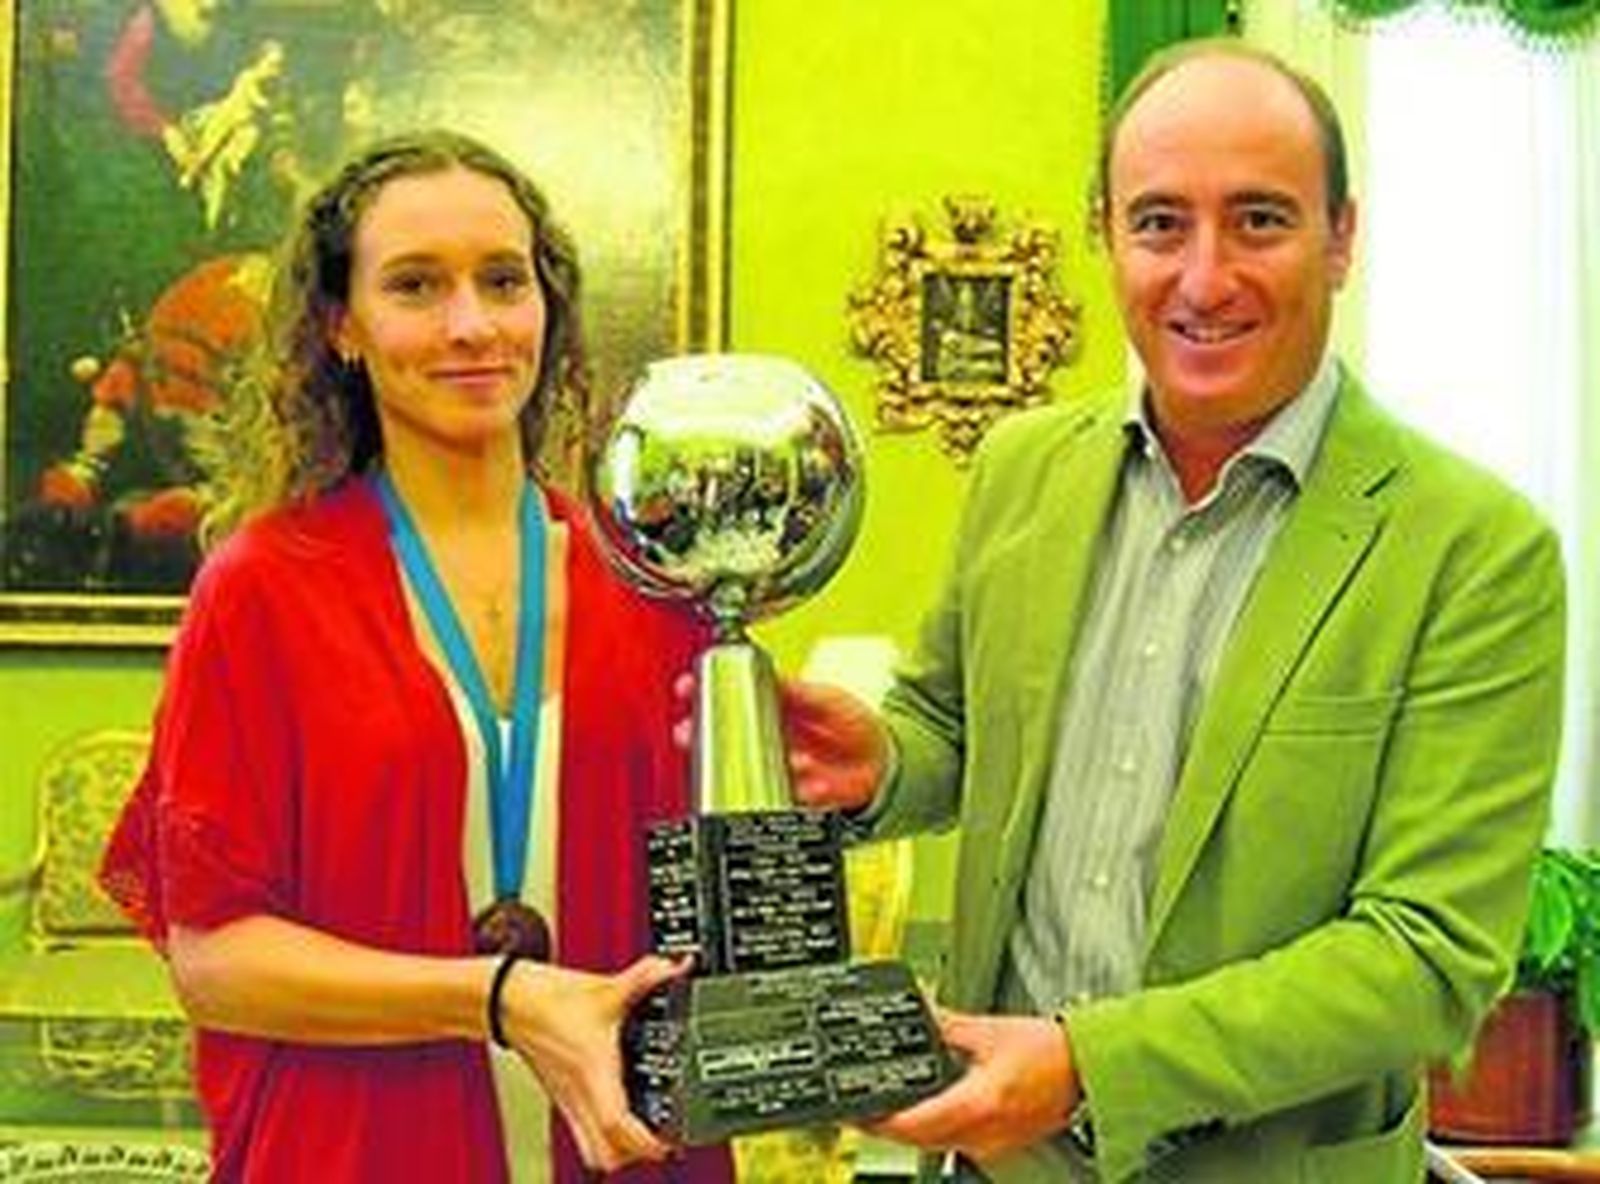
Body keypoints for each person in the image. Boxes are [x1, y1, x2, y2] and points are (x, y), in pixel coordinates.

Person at [781, 40, 1566, 1183]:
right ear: (1107, 232)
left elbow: (1427, 958)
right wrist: (881, 765)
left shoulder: (1475, 551)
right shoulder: (1019, 468)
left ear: (1341, 236)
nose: (1203, 277)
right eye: (1159, 223)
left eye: (1257, 220)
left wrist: (1089, 1062)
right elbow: (949, 725)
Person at [99, 129, 732, 1184]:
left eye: (502, 280)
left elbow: (714, 899)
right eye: (415, 286)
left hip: (630, 1148)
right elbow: (213, 960)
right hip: (356, 1149)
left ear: (547, 306)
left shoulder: (657, 584)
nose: (473, 324)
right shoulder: (262, 589)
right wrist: (499, 996)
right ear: (341, 325)